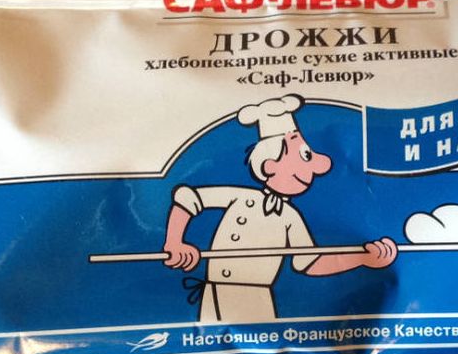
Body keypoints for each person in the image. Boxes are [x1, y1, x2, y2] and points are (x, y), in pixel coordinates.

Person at [163, 94, 397, 322]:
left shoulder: (290, 217)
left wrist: (361, 259)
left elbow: (310, 261)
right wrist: (175, 242)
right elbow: (189, 199)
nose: (318, 168)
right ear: (270, 165)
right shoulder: (240, 197)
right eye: (305, 155)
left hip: (253, 299)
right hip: (211, 292)